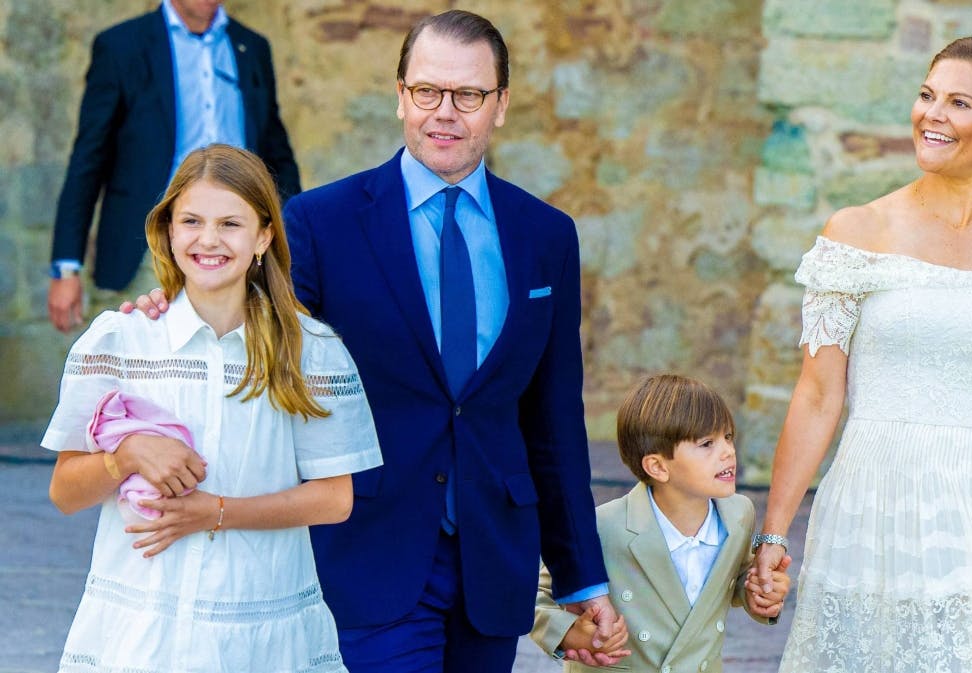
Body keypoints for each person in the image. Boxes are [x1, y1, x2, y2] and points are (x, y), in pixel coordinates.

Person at [130, 9, 615, 673]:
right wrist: (174, 306)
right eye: (426, 91)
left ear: (500, 105)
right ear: (399, 95)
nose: (444, 112)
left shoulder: (547, 237)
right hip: (369, 553)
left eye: (468, 95)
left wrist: (583, 579)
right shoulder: (320, 223)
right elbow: (253, 342)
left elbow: (554, 419)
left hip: (493, 563)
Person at [752, 37, 972, 672]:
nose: (932, 114)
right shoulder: (858, 232)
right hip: (876, 499)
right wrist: (773, 534)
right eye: (927, 96)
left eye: (959, 103)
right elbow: (819, 394)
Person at [42, 144, 381, 673]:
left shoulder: (312, 350)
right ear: (169, 231)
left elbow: (335, 500)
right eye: (192, 221)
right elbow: (64, 492)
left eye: (230, 223)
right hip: (140, 638)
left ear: (264, 236)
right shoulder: (119, 340)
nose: (208, 240)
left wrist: (217, 512)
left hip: (264, 636)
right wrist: (126, 454)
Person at [48, 0, 300, 334]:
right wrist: (66, 268)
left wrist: (295, 242)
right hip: (147, 249)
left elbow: (276, 152)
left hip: (236, 244)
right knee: (138, 364)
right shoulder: (122, 45)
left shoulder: (251, 46)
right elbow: (89, 158)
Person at [530, 374, 791, 672]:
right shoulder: (601, 526)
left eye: (728, 437)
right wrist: (570, 633)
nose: (728, 451)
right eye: (707, 443)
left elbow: (726, 584)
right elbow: (536, 597)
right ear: (657, 466)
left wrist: (758, 592)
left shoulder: (738, 514)